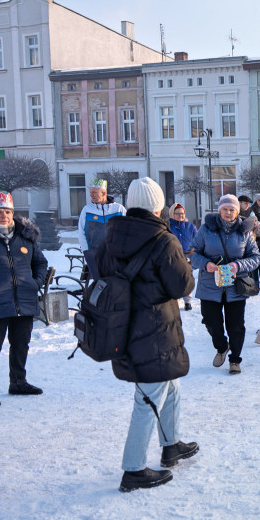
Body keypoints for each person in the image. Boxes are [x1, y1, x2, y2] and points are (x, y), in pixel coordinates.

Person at [95, 178, 198, 492]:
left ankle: (171, 444)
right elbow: (182, 286)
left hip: (124, 325)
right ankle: (133, 469)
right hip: (155, 328)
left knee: (170, 387)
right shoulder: (164, 240)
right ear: (158, 205)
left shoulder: (111, 234)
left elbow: (100, 271)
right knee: (148, 398)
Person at [0, 192, 48, 408]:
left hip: (24, 300)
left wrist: (35, 283)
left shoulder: (26, 237)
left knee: (21, 344)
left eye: (8, 211)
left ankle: (18, 382)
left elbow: (40, 263)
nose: (4, 216)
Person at [190, 194, 260, 375]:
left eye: (232, 209)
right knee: (211, 321)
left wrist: (238, 265)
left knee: (236, 325)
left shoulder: (245, 231)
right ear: (219, 210)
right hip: (209, 284)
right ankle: (222, 346)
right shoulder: (206, 229)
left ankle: (235, 359)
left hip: (236, 286)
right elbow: (194, 253)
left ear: (237, 211)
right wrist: (206, 264)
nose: (228, 213)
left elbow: (256, 258)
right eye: (225, 209)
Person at [77, 178, 126, 265]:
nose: (91, 195)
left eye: (94, 192)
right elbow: (81, 232)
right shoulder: (87, 210)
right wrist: (86, 252)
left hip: (116, 257)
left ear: (103, 193)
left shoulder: (119, 209)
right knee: (98, 279)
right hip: (94, 256)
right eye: (90, 192)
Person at [168, 203, 197, 311]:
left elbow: (197, 241)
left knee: (186, 280)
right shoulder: (168, 227)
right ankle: (175, 301)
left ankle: (187, 301)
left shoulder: (190, 227)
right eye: (178, 213)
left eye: (182, 213)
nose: (181, 215)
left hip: (187, 258)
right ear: (172, 214)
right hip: (173, 258)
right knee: (174, 280)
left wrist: (194, 251)